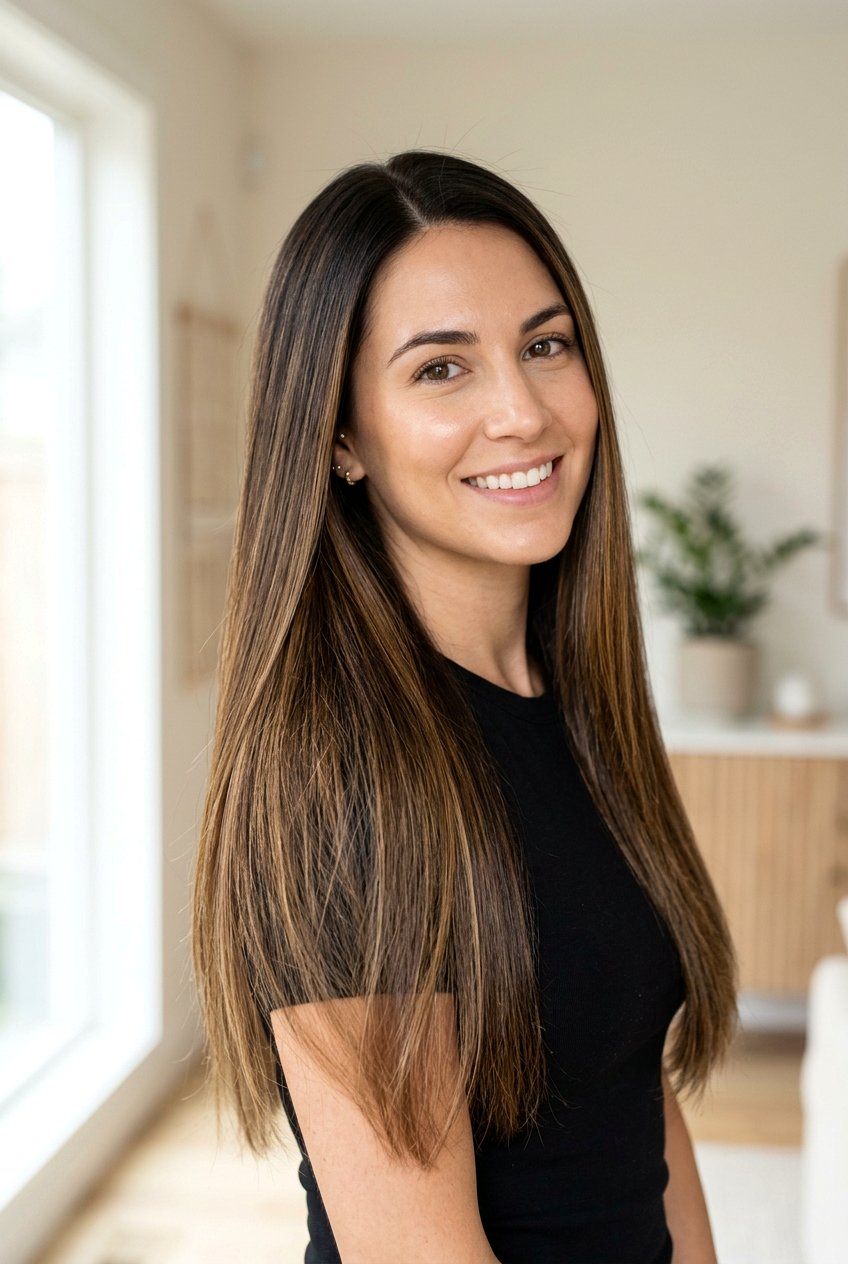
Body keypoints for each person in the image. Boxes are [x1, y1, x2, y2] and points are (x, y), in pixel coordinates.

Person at [191, 149, 738, 1264]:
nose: (521, 411)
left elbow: (633, 1102)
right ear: (340, 437)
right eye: (442, 370)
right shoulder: (339, 788)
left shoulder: (572, 708)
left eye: (545, 345)